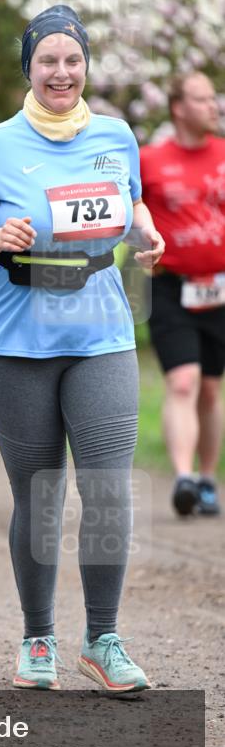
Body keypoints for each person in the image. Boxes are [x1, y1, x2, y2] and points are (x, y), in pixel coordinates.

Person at [0, 4, 165, 693]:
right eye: (47, 61)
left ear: (85, 66)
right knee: (40, 497)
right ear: (28, 68)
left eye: (72, 60)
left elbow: (130, 201)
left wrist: (145, 231)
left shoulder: (116, 135)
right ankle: (37, 637)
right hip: (15, 342)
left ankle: (103, 639)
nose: (61, 72)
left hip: (101, 333)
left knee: (108, 492)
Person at [140, 72, 224, 518]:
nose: (214, 106)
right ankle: (183, 479)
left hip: (219, 289)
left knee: (209, 389)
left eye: (214, 98)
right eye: (203, 99)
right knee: (183, 381)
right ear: (178, 107)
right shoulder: (148, 160)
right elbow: (128, 213)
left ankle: (207, 479)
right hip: (169, 287)